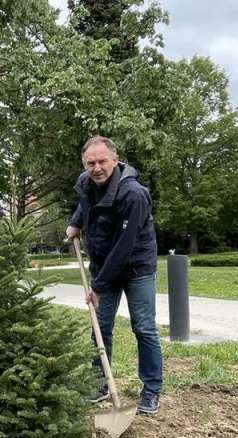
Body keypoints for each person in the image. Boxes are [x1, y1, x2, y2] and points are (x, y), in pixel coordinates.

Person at [66, 136, 163, 415]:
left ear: (115, 160)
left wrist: (97, 286)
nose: (96, 168)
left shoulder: (133, 194)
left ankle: (152, 389)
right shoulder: (87, 183)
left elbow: (124, 247)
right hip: (103, 264)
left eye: (102, 161)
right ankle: (100, 384)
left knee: (143, 327)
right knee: (101, 326)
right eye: (91, 162)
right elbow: (85, 205)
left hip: (136, 267)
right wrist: (75, 223)